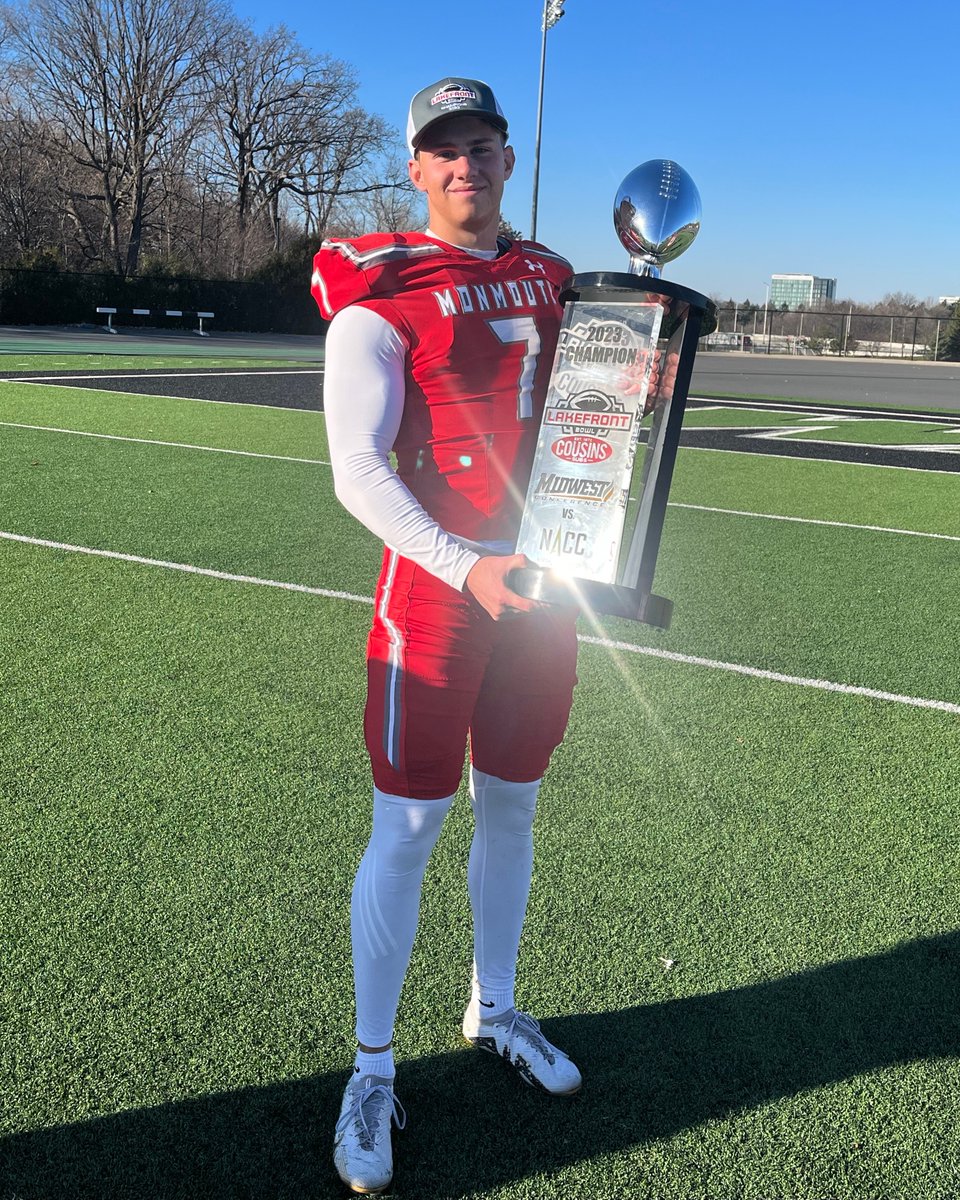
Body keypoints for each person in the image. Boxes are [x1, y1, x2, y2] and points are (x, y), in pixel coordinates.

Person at [311, 77, 583, 1195]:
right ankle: (371, 1068)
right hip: (437, 586)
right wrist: (465, 563)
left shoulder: (560, 278)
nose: (464, 163)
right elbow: (356, 469)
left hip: (544, 586)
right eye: (443, 150)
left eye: (481, 144)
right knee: (413, 822)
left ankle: (496, 1006)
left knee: (513, 801)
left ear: (509, 159)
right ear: (415, 169)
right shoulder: (382, 289)